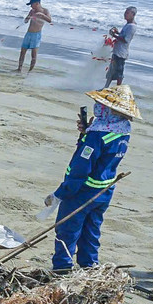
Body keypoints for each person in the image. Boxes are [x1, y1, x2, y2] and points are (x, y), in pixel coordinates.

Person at [46, 86, 139, 271]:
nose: (97, 108)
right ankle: (89, 265)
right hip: (104, 191)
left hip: (83, 191)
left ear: (110, 110)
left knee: (67, 230)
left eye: (100, 105)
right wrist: (85, 134)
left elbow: (80, 169)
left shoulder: (97, 136)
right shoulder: (123, 130)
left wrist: (59, 194)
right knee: (91, 230)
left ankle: (62, 268)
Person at [103, 7, 137, 87]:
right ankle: (106, 87)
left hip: (121, 53)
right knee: (111, 71)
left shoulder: (132, 27)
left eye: (127, 13)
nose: (125, 14)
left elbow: (126, 40)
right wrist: (117, 33)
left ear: (133, 15)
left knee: (119, 72)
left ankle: (118, 89)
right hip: (117, 51)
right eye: (125, 12)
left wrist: (114, 35)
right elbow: (123, 36)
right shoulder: (128, 24)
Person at [17, 0, 51, 72]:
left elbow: (49, 20)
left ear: (37, 3)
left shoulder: (45, 11)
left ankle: (30, 71)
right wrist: (28, 17)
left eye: (31, 4)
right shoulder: (32, 11)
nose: (31, 6)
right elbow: (26, 21)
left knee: (34, 54)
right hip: (28, 33)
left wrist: (42, 15)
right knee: (22, 52)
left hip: (36, 35)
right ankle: (19, 68)